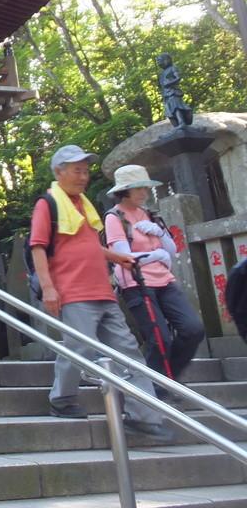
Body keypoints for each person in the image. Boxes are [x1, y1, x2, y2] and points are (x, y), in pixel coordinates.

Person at [29, 144, 173, 441]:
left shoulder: (83, 205)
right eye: (77, 170)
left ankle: (144, 418)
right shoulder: (49, 204)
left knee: (128, 352)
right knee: (79, 349)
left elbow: (89, 245)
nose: (84, 177)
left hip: (103, 291)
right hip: (72, 290)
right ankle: (62, 398)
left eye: (86, 171)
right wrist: (48, 288)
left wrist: (117, 257)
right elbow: (38, 247)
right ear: (59, 172)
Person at [105, 164, 204, 394]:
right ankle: (154, 389)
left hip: (165, 281)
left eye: (145, 187)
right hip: (137, 283)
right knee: (159, 338)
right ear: (124, 191)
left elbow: (172, 249)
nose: (144, 192)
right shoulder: (114, 217)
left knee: (193, 328)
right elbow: (124, 257)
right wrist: (157, 255)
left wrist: (158, 233)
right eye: (138, 188)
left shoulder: (151, 214)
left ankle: (167, 379)